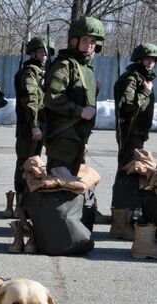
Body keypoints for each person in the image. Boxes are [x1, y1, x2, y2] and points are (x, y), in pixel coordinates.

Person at [43, 16, 105, 181]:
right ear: (73, 41)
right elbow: (52, 97)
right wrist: (79, 111)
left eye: (93, 41)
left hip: (79, 136)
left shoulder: (85, 67)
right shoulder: (65, 64)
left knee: (74, 187)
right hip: (63, 137)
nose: (89, 45)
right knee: (61, 185)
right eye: (85, 40)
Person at [110, 43, 157, 239]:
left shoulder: (142, 78)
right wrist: (145, 92)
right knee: (127, 176)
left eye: (153, 61)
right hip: (130, 133)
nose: (151, 64)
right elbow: (128, 105)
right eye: (148, 59)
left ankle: (124, 219)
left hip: (138, 133)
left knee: (128, 174)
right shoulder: (132, 78)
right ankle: (120, 224)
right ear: (139, 59)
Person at [7, 35, 54, 219]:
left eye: (47, 52)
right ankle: (20, 202)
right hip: (30, 127)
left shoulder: (44, 72)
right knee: (25, 164)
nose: (45, 55)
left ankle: (28, 200)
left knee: (35, 164)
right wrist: (34, 125)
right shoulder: (30, 73)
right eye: (42, 51)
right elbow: (30, 101)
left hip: (40, 125)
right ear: (33, 53)